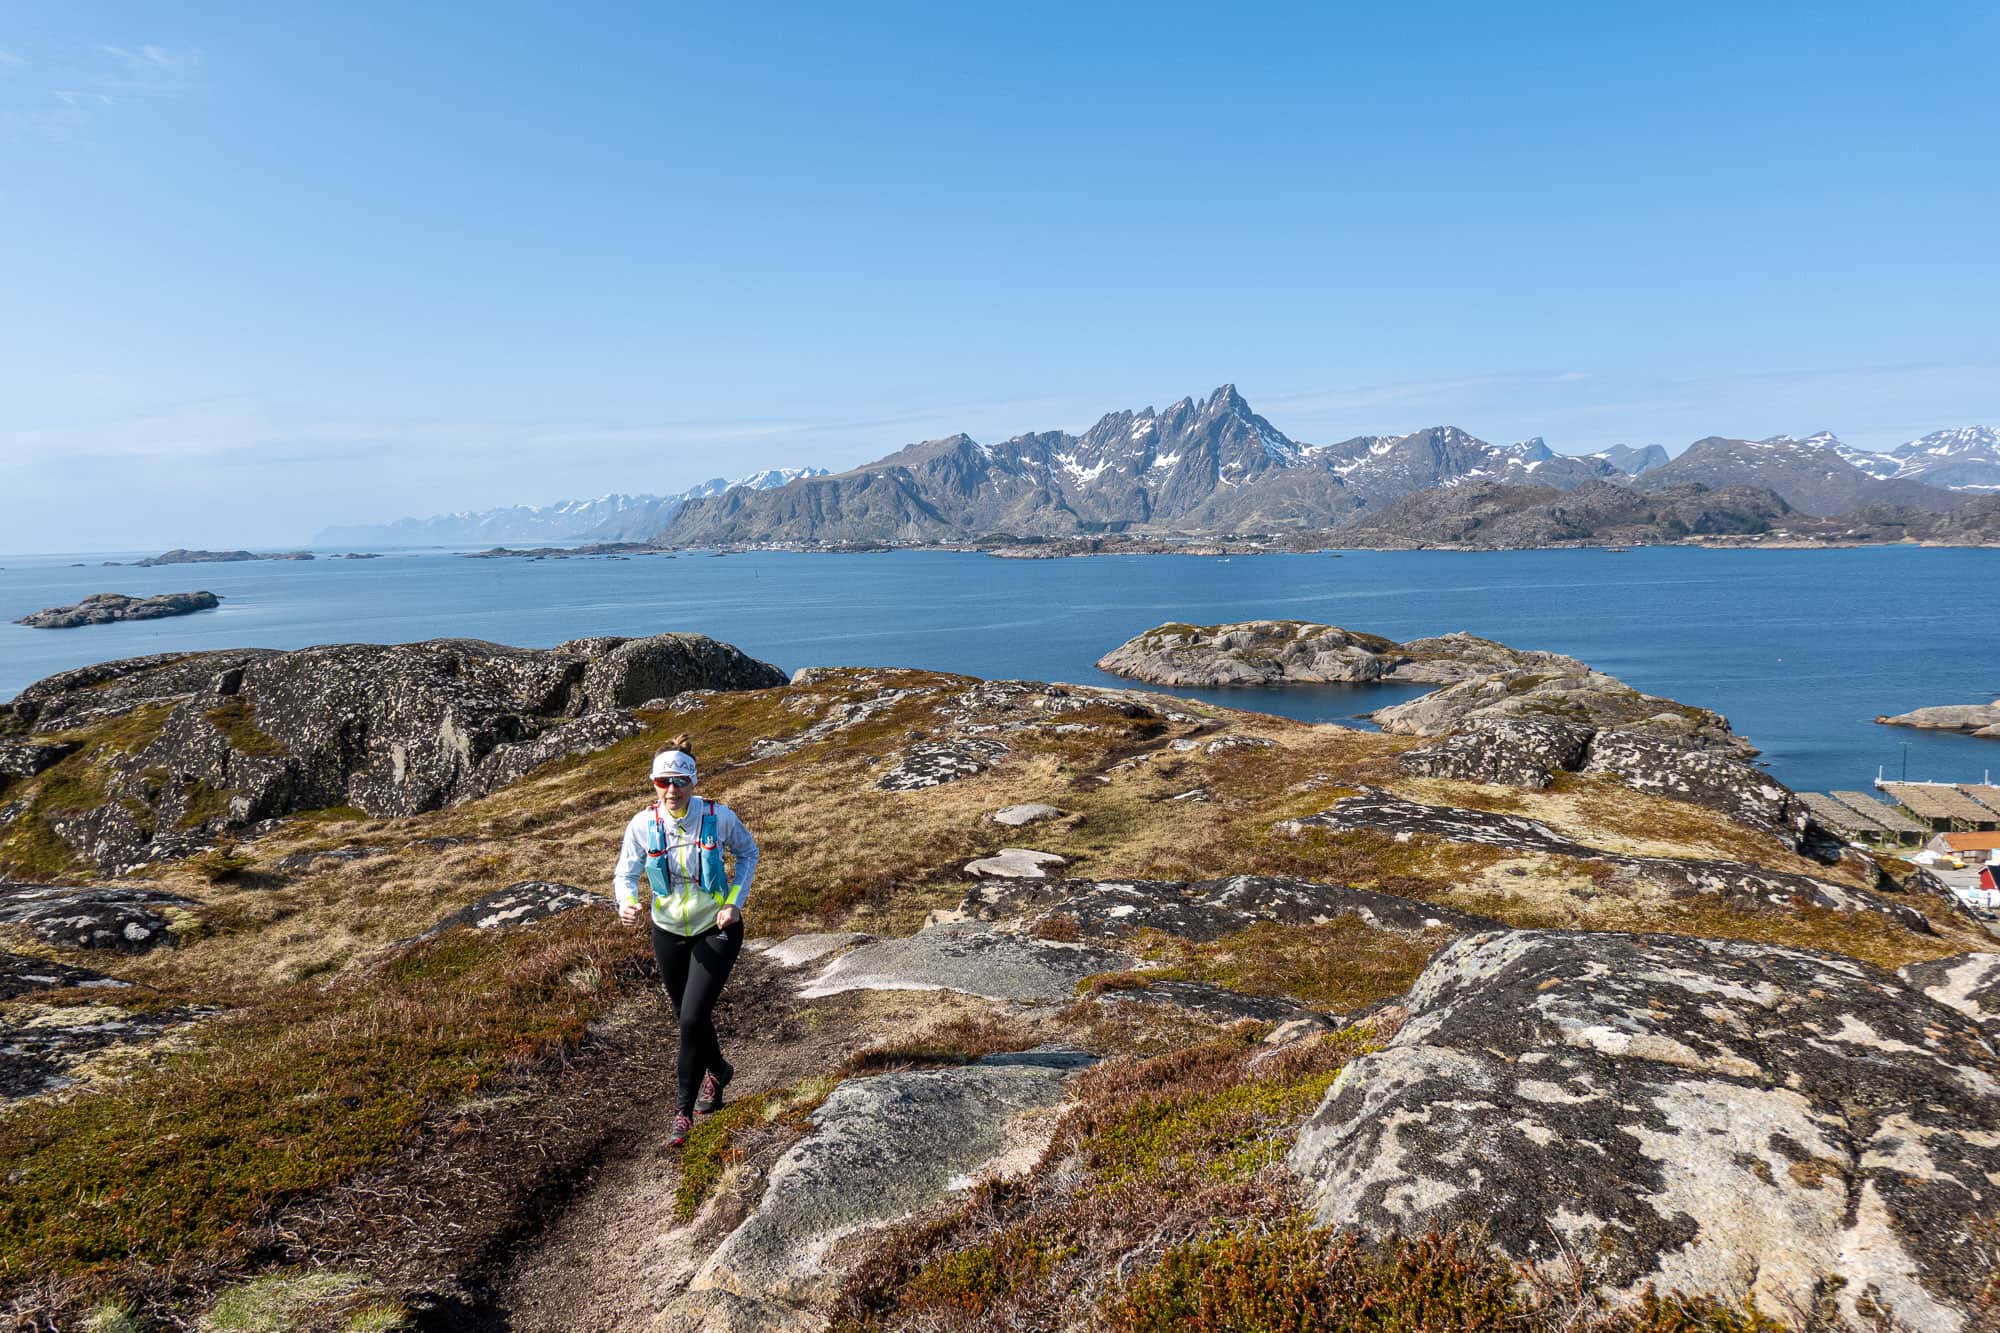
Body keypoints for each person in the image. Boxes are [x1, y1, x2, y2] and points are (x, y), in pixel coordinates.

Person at [613, 733, 760, 1148]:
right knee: (687, 1018)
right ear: (653, 783)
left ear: (694, 782)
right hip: (667, 933)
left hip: (716, 929)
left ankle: (683, 1110)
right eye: (663, 782)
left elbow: (749, 854)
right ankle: (718, 1069)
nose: (672, 790)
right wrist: (626, 902)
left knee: (693, 1019)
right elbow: (625, 873)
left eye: (680, 781)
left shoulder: (718, 816)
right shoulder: (642, 824)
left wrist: (734, 902)